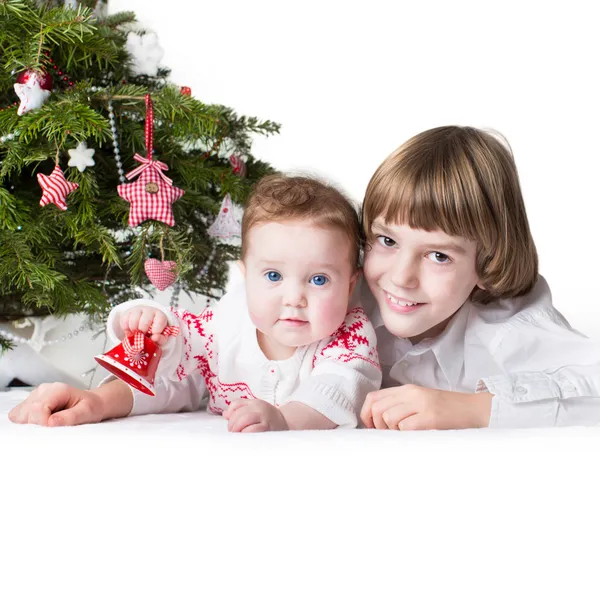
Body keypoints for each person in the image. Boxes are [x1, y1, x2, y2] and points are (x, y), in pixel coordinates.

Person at [9, 175, 381, 431]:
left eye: (319, 280)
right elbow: (176, 361)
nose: (294, 298)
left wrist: (284, 420)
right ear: (245, 274)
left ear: (350, 286)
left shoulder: (350, 337)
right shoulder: (228, 321)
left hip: (307, 464)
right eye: (272, 276)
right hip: (222, 458)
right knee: (167, 371)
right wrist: (149, 320)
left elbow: (337, 392)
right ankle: (94, 402)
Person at [359, 125, 600, 430]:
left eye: (439, 256)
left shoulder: (508, 329)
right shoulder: (342, 293)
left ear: (487, 263)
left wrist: (474, 409)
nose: (401, 277)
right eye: (387, 241)